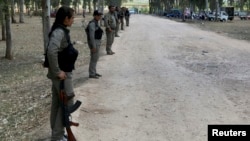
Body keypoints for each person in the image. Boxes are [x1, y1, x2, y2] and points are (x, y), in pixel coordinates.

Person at [46, 6, 78, 141]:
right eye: (72, 17)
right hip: (62, 75)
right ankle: (57, 136)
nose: (73, 20)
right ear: (66, 19)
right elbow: (51, 51)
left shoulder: (59, 30)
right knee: (67, 103)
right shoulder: (59, 32)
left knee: (58, 104)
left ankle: (56, 134)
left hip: (60, 74)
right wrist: (58, 71)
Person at [86, 10, 103, 79]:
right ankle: (92, 73)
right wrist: (93, 46)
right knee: (93, 58)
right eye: (98, 15)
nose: (100, 17)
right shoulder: (92, 24)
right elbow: (91, 36)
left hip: (97, 42)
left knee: (95, 58)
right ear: (95, 16)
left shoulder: (95, 23)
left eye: (100, 15)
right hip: (94, 43)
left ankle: (94, 72)